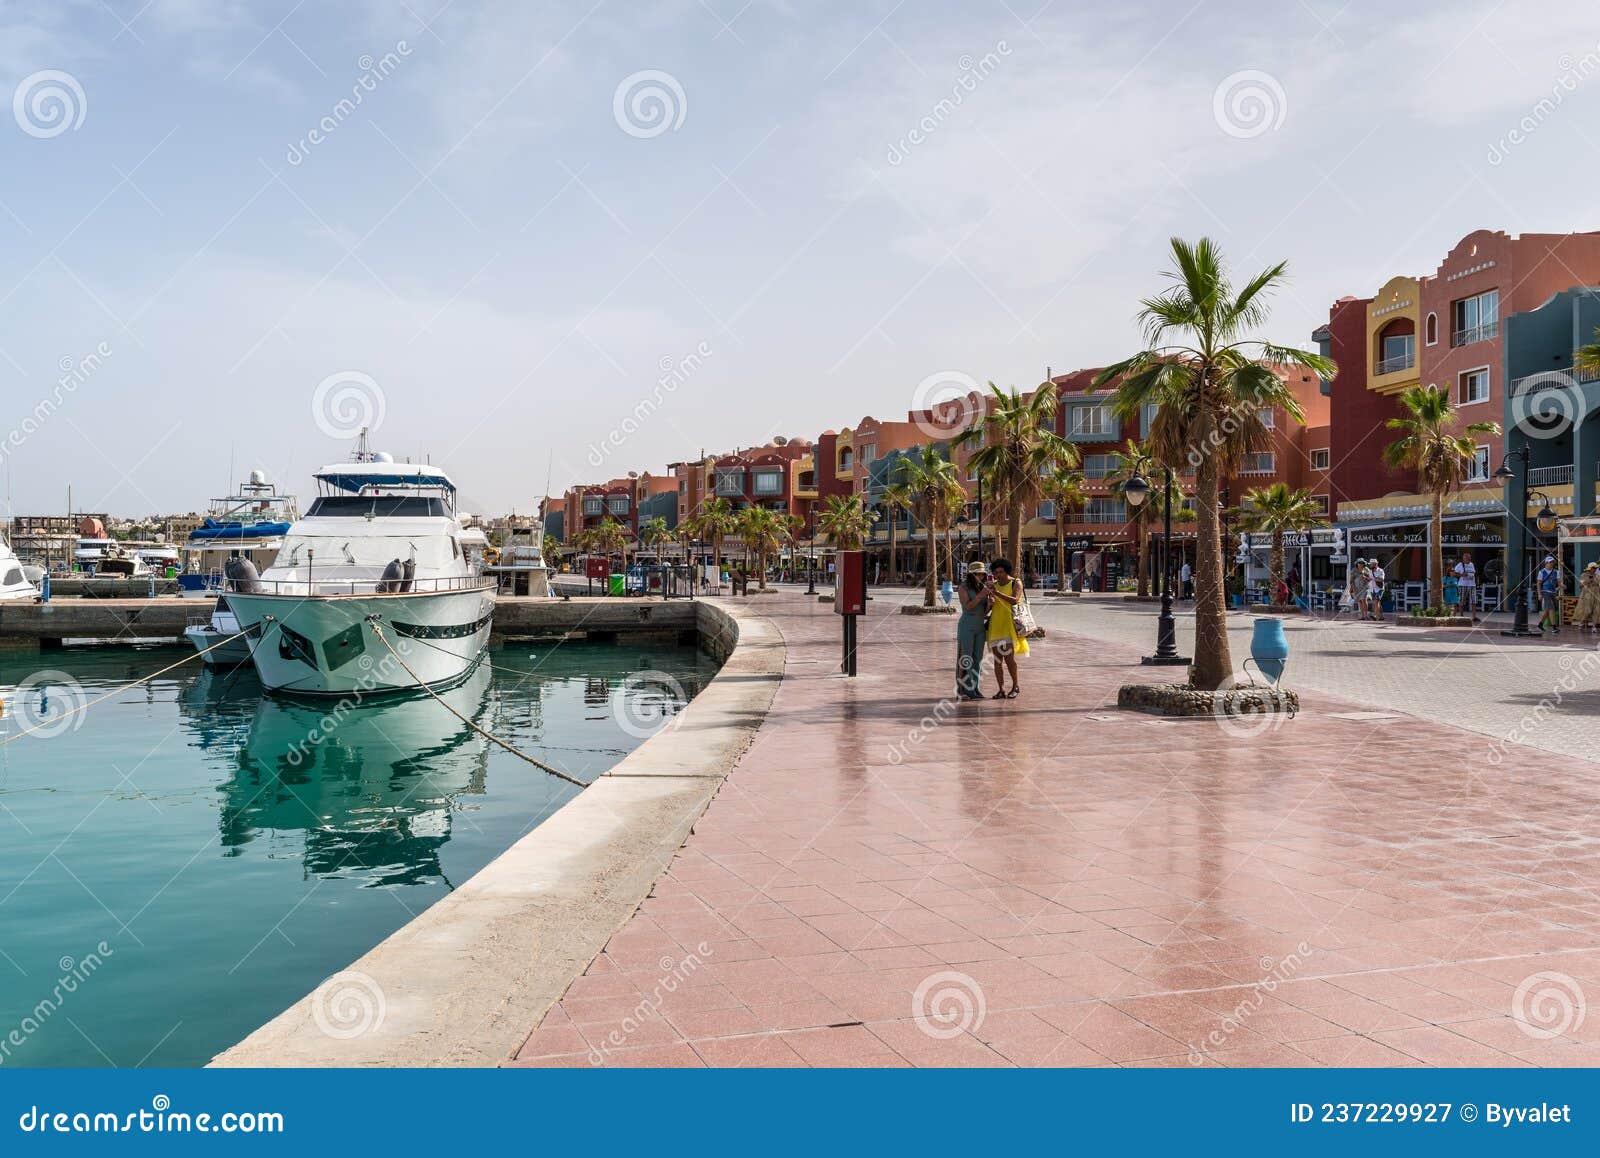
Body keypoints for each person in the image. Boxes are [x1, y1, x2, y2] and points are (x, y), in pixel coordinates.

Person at [984, 558, 1028, 698]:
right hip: (995, 625)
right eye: (996, 572)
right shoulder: (994, 585)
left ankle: (1016, 686)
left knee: (1009, 659)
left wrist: (996, 593)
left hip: (1009, 625)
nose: (999, 575)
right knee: (997, 661)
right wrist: (989, 602)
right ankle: (1001, 689)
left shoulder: (1016, 582)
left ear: (1006, 570)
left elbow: (1015, 600)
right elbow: (987, 609)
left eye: (1001, 571)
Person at [955, 562, 992, 700]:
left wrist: (989, 604)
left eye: (982, 574)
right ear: (971, 574)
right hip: (967, 625)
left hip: (980, 626)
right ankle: (964, 689)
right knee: (966, 658)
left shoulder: (981, 587)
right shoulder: (963, 587)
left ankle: (975, 688)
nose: (980, 576)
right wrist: (981, 595)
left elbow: (984, 611)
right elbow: (968, 606)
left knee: (978, 659)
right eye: (977, 574)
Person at [1538, 554, 1562, 634]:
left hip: (1553, 592)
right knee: (1551, 608)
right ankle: (1554, 627)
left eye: (1552, 562)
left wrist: (1562, 586)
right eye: (1550, 562)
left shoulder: (1556, 572)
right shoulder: (1541, 572)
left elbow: (1559, 583)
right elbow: (1539, 584)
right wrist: (1539, 594)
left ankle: (1540, 624)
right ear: (1546, 563)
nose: (1552, 563)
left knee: (1547, 610)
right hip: (1545, 592)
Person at [1576, 562, 1600, 635]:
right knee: (1588, 610)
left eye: (1596, 568)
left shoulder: (1597, 575)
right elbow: (1580, 585)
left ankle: (1594, 626)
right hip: (1587, 594)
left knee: (1596, 610)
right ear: (1591, 568)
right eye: (1594, 568)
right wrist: (1588, 581)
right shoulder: (1584, 575)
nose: (1595, 569)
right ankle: (1581, 623)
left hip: (1596, 594)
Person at [1454, 553, 1477, 621]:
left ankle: (1474, 616)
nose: (1469, 559)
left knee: (1474, 601)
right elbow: (1454, 574)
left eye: (1470, 558)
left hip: (1472, 585)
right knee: (1462, 600)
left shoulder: (1471, 564)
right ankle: (1461, 615)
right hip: (1463, 585)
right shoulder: (1460, 565)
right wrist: (1462, 574)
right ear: (1464, 559)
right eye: (1468, 558)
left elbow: (1473, 572)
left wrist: (1471, 575)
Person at [1368, 556, 1387, 621]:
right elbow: (1369, 580)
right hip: (1372, 589)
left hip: (1379, 589)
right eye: (1370, 564)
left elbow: (1381, 580)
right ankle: (1381, 616)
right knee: (1377, 603)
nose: (1370, 565)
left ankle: (1376, 616)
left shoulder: (1381, 571)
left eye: (1371, 564)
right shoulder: (1370, 571)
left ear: (1376, 564)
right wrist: (1366, 578)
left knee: (1376, 602)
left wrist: (1372, 579)